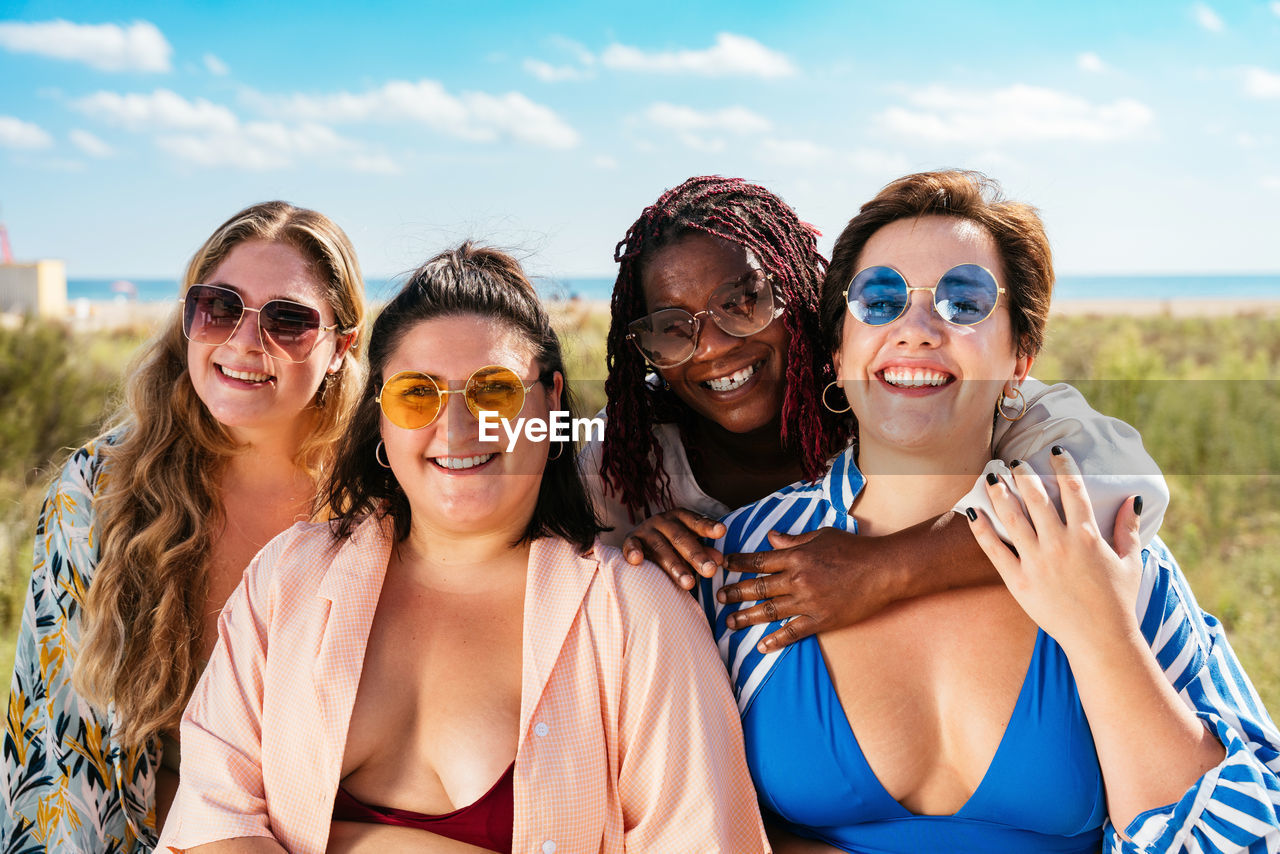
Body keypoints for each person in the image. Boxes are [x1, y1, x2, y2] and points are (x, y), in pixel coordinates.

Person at [699, 170, 1280, 853]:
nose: (916, 329)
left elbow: (1245, 836)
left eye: (964, 301)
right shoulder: (740, 557)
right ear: (836, 352)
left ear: (1018, 361)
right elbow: (666, 814)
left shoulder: (1107, 550)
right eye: (879, 300)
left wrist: (1101, 635)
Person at [157, 244, 767, 854]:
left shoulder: (635, 614)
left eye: (495, 392)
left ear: (552, 402)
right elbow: (213, 817)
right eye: (416, 394)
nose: (456, 429)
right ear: (382, 414)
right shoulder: (288, 576)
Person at [581, 174, 1169, 653]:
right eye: (669, 328)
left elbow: (1123, 485)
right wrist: (628, 558)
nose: (711, 346)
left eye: (742, 302)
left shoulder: (900, 397)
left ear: (803, 297)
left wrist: (887, 568)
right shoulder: (629, 453)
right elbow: (555, 586)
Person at [2, 201, 365, 852]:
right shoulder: (98, 495)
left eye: (287, 320)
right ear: (189, 317)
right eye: (219, 307)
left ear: (341, 347)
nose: (244, 342)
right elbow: (52, 762)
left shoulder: (380, 504)